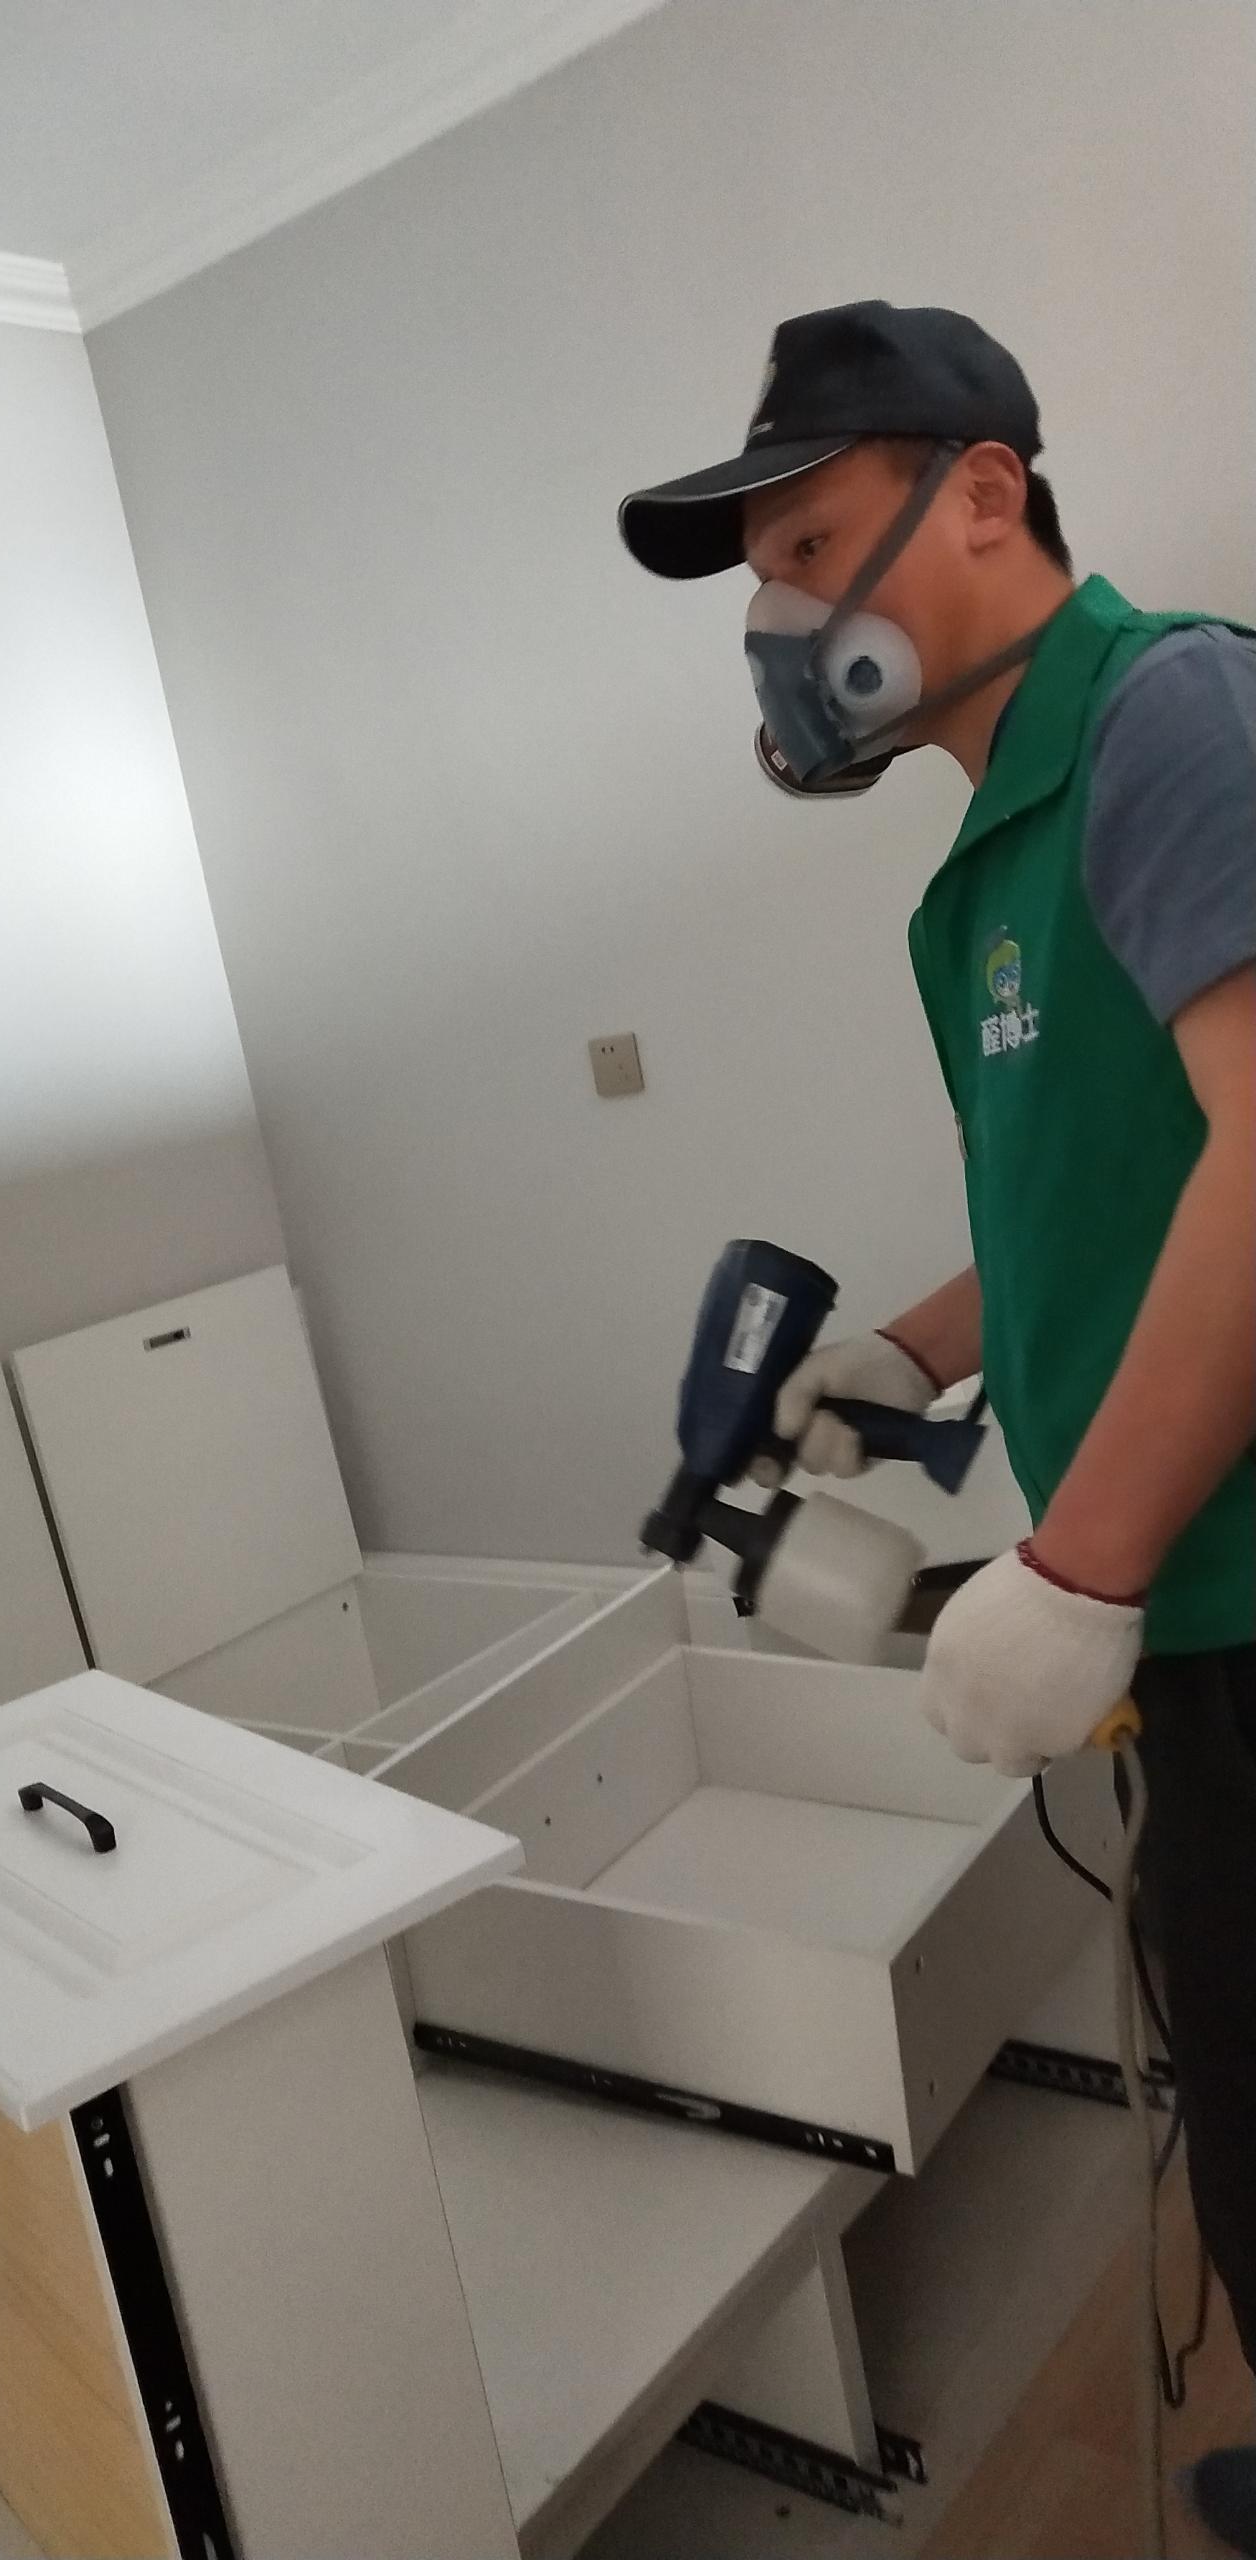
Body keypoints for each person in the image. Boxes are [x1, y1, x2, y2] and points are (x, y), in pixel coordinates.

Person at [619, 300, 1256, 2553]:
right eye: (765, 584)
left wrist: (1070, 1566)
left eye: (811, 549)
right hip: (1188, 1614)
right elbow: (1111, 1175)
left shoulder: (1171, 710)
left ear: (985, 494)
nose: (785, 624)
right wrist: (902, 1352)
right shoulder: (982, 867)